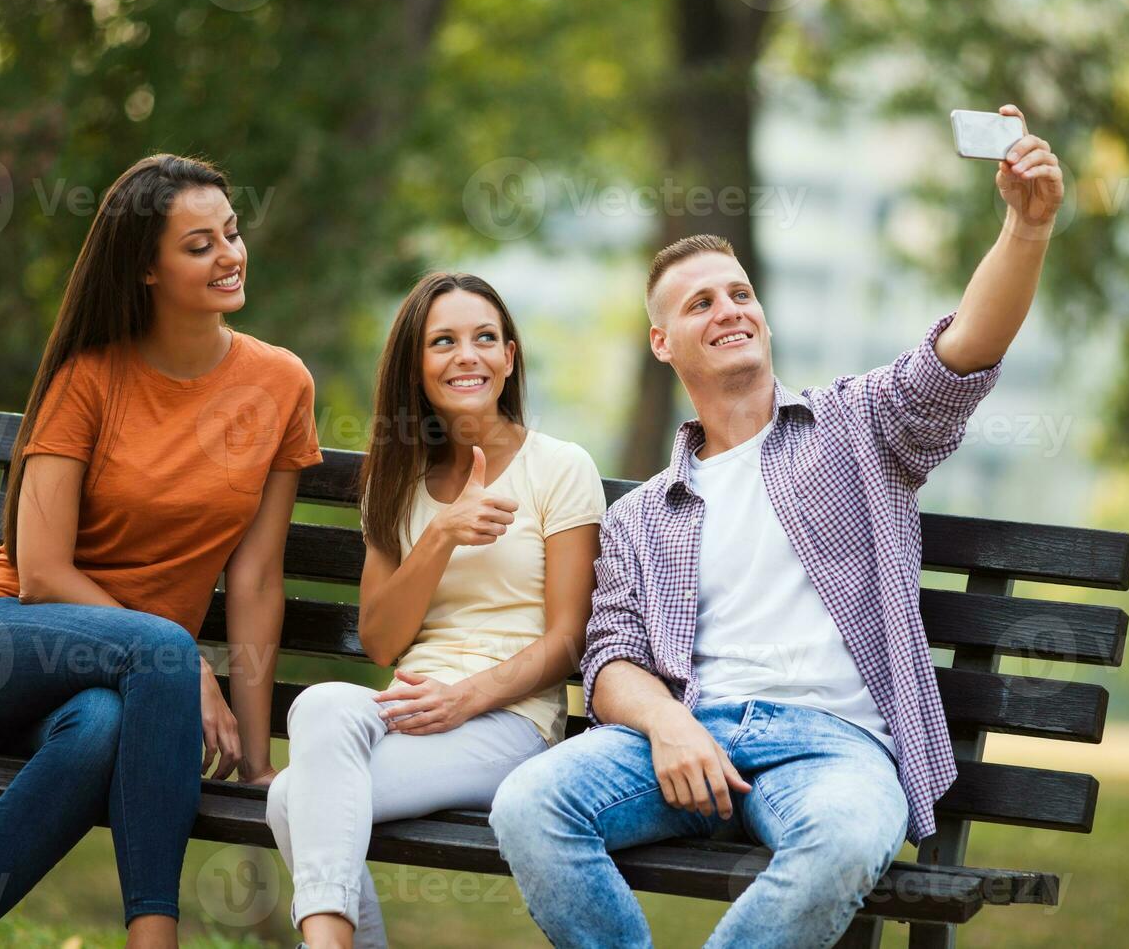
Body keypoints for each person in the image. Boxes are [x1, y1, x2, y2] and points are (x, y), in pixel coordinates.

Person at [489, 104, 1065, 948]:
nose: (728, 308)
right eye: (699, 303)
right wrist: (672, 725)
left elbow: (967, 349)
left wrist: (1027, 227)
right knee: (529, 804)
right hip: (690, 739)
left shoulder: (857, 425)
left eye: (740, 293)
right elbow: (609, 663)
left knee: (840, 842)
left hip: (835, 747)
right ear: (662, 341)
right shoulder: (644, 514)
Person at [0, 154, 322, 949]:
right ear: (145, 270)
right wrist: (181, 659)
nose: (230, 255)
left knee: (96, 730)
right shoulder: (88, 377)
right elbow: (41, 572)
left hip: (118, 689)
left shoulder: (280, 384)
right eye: (198, 245)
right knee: (158, 654)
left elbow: (258, 577)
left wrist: (260, 759)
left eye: (231, 233)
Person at [265, 272, 605, 949]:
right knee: (322, 707)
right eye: (443, 341)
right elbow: (383, 640)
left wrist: (467, 697)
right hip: (408, 709)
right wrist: (443, 533)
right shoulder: (397, 483)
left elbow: (569, 640)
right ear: (417, 369)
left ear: (510, 357)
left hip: (511, 722)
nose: (467, 355)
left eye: (485, 338)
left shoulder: (561, 469)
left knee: (289, 800)